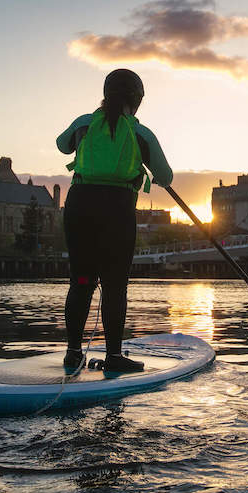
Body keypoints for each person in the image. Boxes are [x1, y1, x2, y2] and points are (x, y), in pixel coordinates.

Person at [56, 68, 173, 373]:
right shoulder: (141, 133)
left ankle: (72, 353)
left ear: (106, 95)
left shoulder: (84, 123)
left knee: (81, 280)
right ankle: (114, 356)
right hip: (117, 209)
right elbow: (166, 176)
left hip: (79, 204)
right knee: (114, 284)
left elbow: (61, 144)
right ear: (137, 100)